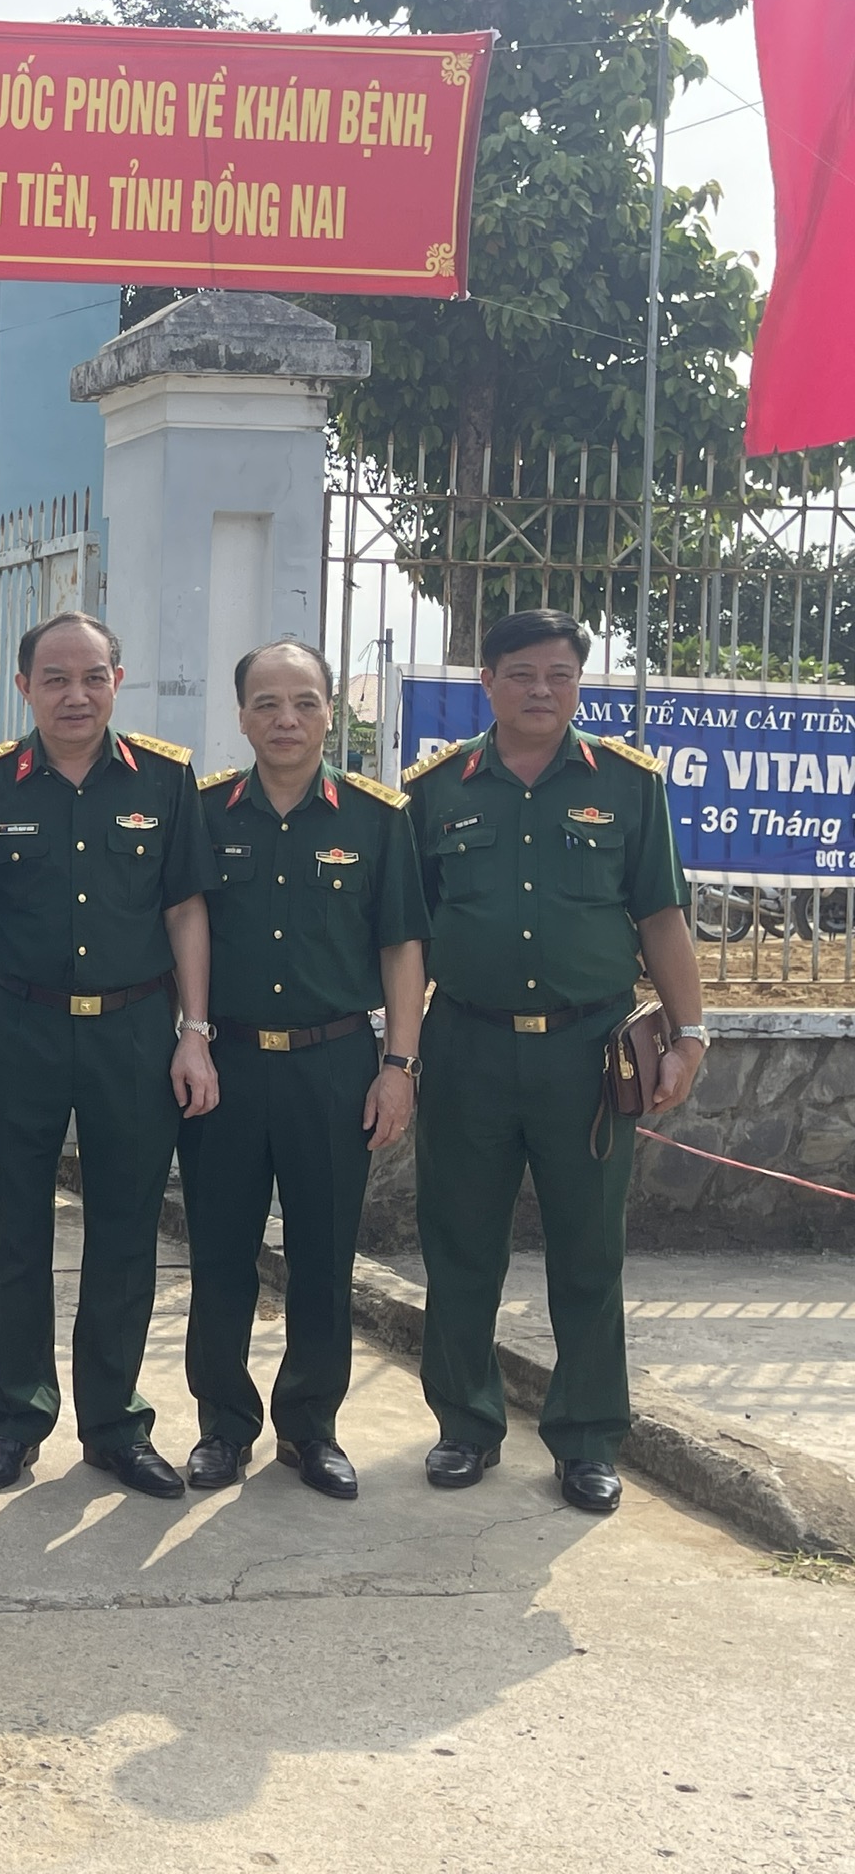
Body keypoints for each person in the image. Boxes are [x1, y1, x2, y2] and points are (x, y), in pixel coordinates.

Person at [404, 608, 707, 1513]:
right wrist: (400, 1055)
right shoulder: (437, 791)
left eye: (560, 676)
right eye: (522, 674)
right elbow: (406, 936)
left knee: (588, 1252)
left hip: (590, 1052)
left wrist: (690, 1035)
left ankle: (587, 1439)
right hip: (467, 1045)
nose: (542, 690)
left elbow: (661, 917)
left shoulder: (627, 785)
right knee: (460, 1247)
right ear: (487, 683)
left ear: (579, 684)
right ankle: (466, 1425)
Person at [0, 612, 217, 1500]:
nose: (75, 695)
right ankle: (13, 1421)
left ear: (117, 682)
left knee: (126, 1230)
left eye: (93, 677)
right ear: (24, 687)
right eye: (55, 679)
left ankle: (115, 1426)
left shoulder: (166, 780)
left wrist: (195, 1032)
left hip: (134, 1031)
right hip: (20, 1027)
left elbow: (186, 911)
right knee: (11, 1230)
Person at [177, 641, 429, 1501]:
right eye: (267, 703)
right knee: (220, 1255)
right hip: (227, 1065)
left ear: (330, 713)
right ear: (242, 716)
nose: (286, 719)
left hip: (335, 1066)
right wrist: (191, 1036)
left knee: (324, 1256)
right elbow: (182, 928)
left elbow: (402, 948)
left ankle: (310, 1428)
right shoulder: (202, 814)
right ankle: (223, 1426)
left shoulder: (376, 819)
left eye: (305, 702)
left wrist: (399, 1064)